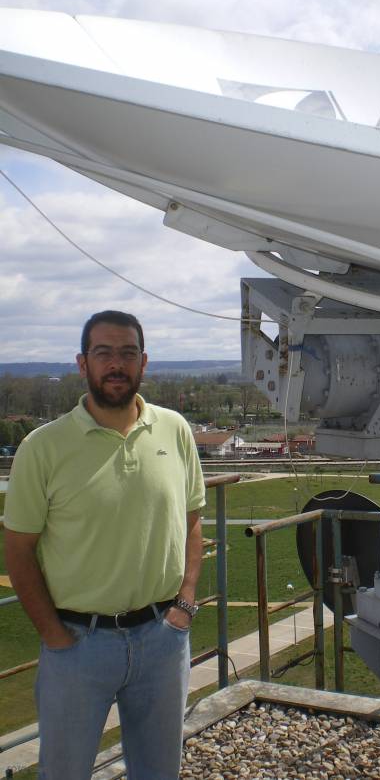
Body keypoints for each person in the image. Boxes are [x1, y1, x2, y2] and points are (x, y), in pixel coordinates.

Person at [4, 310, 205, 780]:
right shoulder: (43, 446)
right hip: (78, 646)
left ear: (144, 363)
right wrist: (54, 636)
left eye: (127, 354)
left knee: (159, 772)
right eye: (104, 353)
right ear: (82, 363)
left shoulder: (175, 430)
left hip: (162, 639)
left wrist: (185, 605)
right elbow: (18, 550)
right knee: (65, 772)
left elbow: (192, 521)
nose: (117, 364)